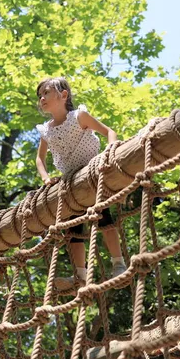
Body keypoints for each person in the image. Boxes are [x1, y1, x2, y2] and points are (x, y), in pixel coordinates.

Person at [35, 77, 126, 283]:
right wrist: (46, 178)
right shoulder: (46, 130)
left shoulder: (79, 116)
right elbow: (40, 159)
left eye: (46, 92)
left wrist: (111, 149)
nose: (42, 98)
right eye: (40, 95)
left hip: (91, 174)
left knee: (103, 216)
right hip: (70, 181)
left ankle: (118, 263)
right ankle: (80, 275)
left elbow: (109, 132)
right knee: (72, 226)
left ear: (63, 95)